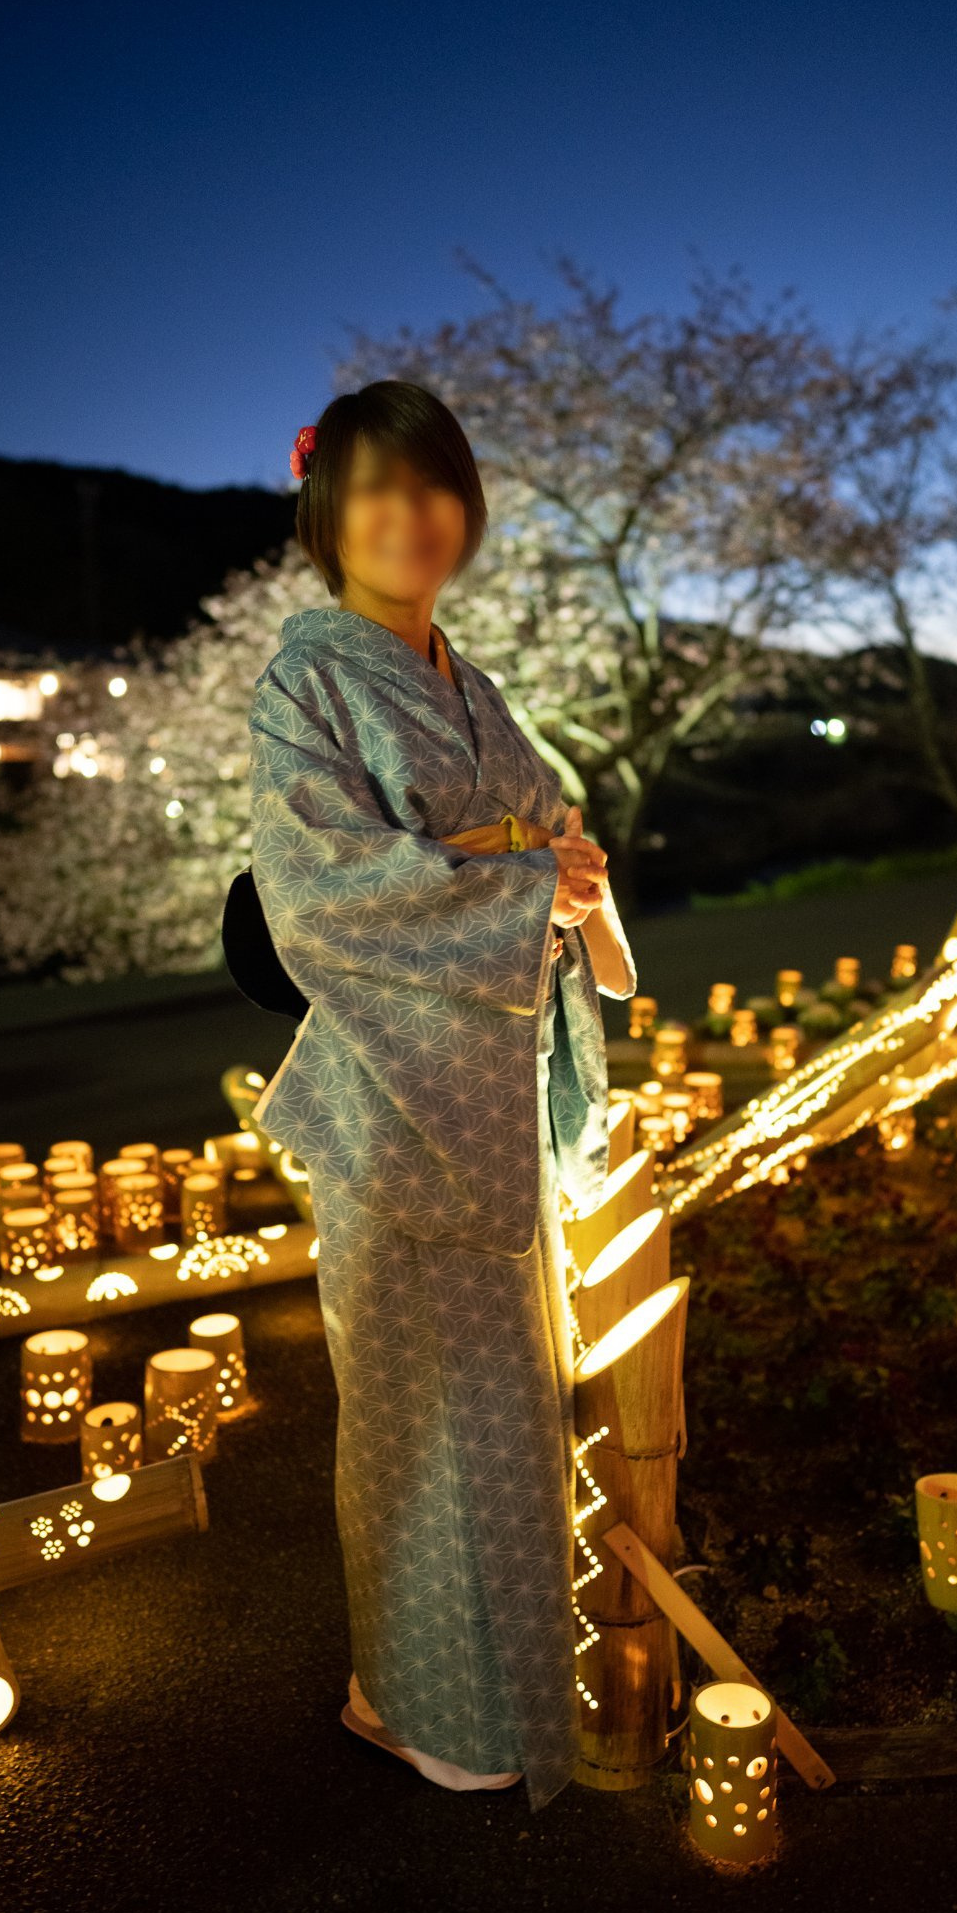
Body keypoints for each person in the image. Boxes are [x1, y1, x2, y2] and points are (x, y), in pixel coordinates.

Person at [246, 379, 636, 1813]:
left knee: (508, 1395)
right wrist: (510, 864)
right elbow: (318, 894)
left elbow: (552, 816)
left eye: (432, 486)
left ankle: (495, 1692)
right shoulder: (308, 679)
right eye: (373, 491)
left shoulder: (471, 680)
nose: (409, 516)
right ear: (327, 520)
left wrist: (534, 855)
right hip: (394, 1096)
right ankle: (406, 1699)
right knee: (420, 1416)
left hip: (492, 1076)